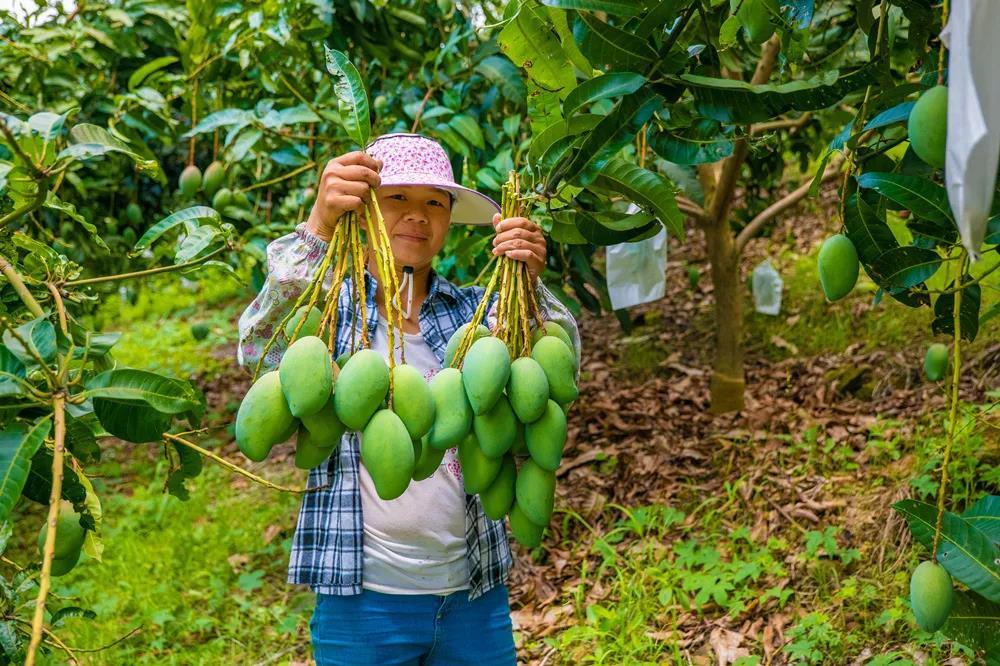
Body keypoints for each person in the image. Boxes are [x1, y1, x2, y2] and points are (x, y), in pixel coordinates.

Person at [236, 133, 580, 665]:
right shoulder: (333, 315)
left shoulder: (475, 319)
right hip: (362, 599)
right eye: (398, 199)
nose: (417, 216)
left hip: (472, 593)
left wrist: (531, 284)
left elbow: (556, 365)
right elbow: (258, 345)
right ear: (366, 207)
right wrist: (318, 230)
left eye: (434, 203)